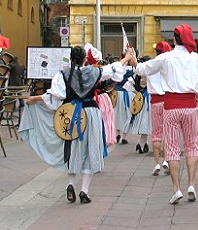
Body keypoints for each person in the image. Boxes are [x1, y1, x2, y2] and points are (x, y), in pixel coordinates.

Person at [21, 45, 133, 204]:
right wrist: (127, 58)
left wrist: (34, 99)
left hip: (72, 113)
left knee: (72, 149)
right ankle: (84, 191)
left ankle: (71, 184)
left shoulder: (62, 75)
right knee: (91, 149)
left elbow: (55, 96)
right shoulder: (94, 72)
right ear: (85, 59)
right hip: (91, 113)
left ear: (71, 58)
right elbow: (113, 69)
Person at [132, 24, 198, 205]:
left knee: (172, 147)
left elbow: (141, 70)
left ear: (174, 40)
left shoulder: (166, 57)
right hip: (190, 106)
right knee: (191, 146)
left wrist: (134, 59)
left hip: (171, 106)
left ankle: (176, 189)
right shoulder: (196, 58)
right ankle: (191, 184)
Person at [148, 41, 172, 176]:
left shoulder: (151, 64)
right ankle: (167, 160)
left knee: (156, 133)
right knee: (168, 132)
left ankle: (156, 163)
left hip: (155, 101)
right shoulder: (169, 65)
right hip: (168, 100)